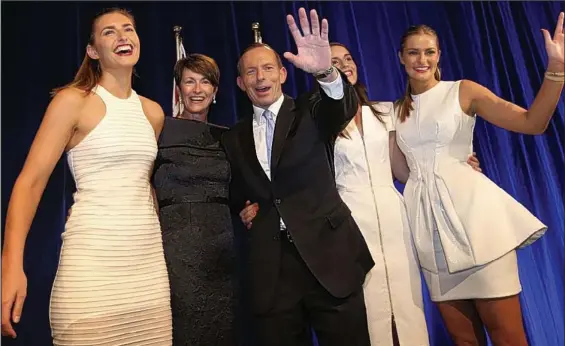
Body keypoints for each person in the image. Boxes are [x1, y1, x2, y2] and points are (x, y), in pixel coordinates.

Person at [240, 42, 483, 346]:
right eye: (333, 62)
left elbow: (405, 170)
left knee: (407, 305)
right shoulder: (316, 116)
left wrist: (453, 166)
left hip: (393, 218)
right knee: (369, 313)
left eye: (348, 59)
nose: (344, 66)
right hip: (348, 222)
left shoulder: (385, 112)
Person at [1, 8, 172, 345]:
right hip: (92, 268)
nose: (123, 36)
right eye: (109, 32)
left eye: (129, 29)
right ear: (93, 51)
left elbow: (143, 186)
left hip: (147, 272)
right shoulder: (72, 102)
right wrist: (10, 264)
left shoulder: (153, 112)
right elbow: (30, 183)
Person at [392, 13, 564, 345]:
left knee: (508, 336)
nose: (421, 59)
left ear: (439, 55)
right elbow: (402, 172)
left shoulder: (462, 91)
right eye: (413, 52)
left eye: (429, 51)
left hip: (476, 225)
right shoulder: (394, 110)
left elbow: (532, 122)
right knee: (465, 341)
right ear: (401, 57)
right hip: (430, 234)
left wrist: (557, 70)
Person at [221, 8, 374, 346]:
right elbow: (234, 192)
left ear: (282, 74)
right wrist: (242, 209)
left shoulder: (310, 110)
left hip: (329, 260)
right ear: (240, 83)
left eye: (267, 68)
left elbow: (342, 105)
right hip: (272, 272)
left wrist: (326, 72)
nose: (260, 77)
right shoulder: (233, 137)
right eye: (250, 72)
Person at [151, 54, 244, 345]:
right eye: (189, 81)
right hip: (174, 245)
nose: (197, 89)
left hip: (221, 247)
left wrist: (252, 207)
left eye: (205, 82)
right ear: (179, 89)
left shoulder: (228, 137)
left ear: (215, 91)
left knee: (222, 328)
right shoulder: (160, 130)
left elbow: (245, 187)